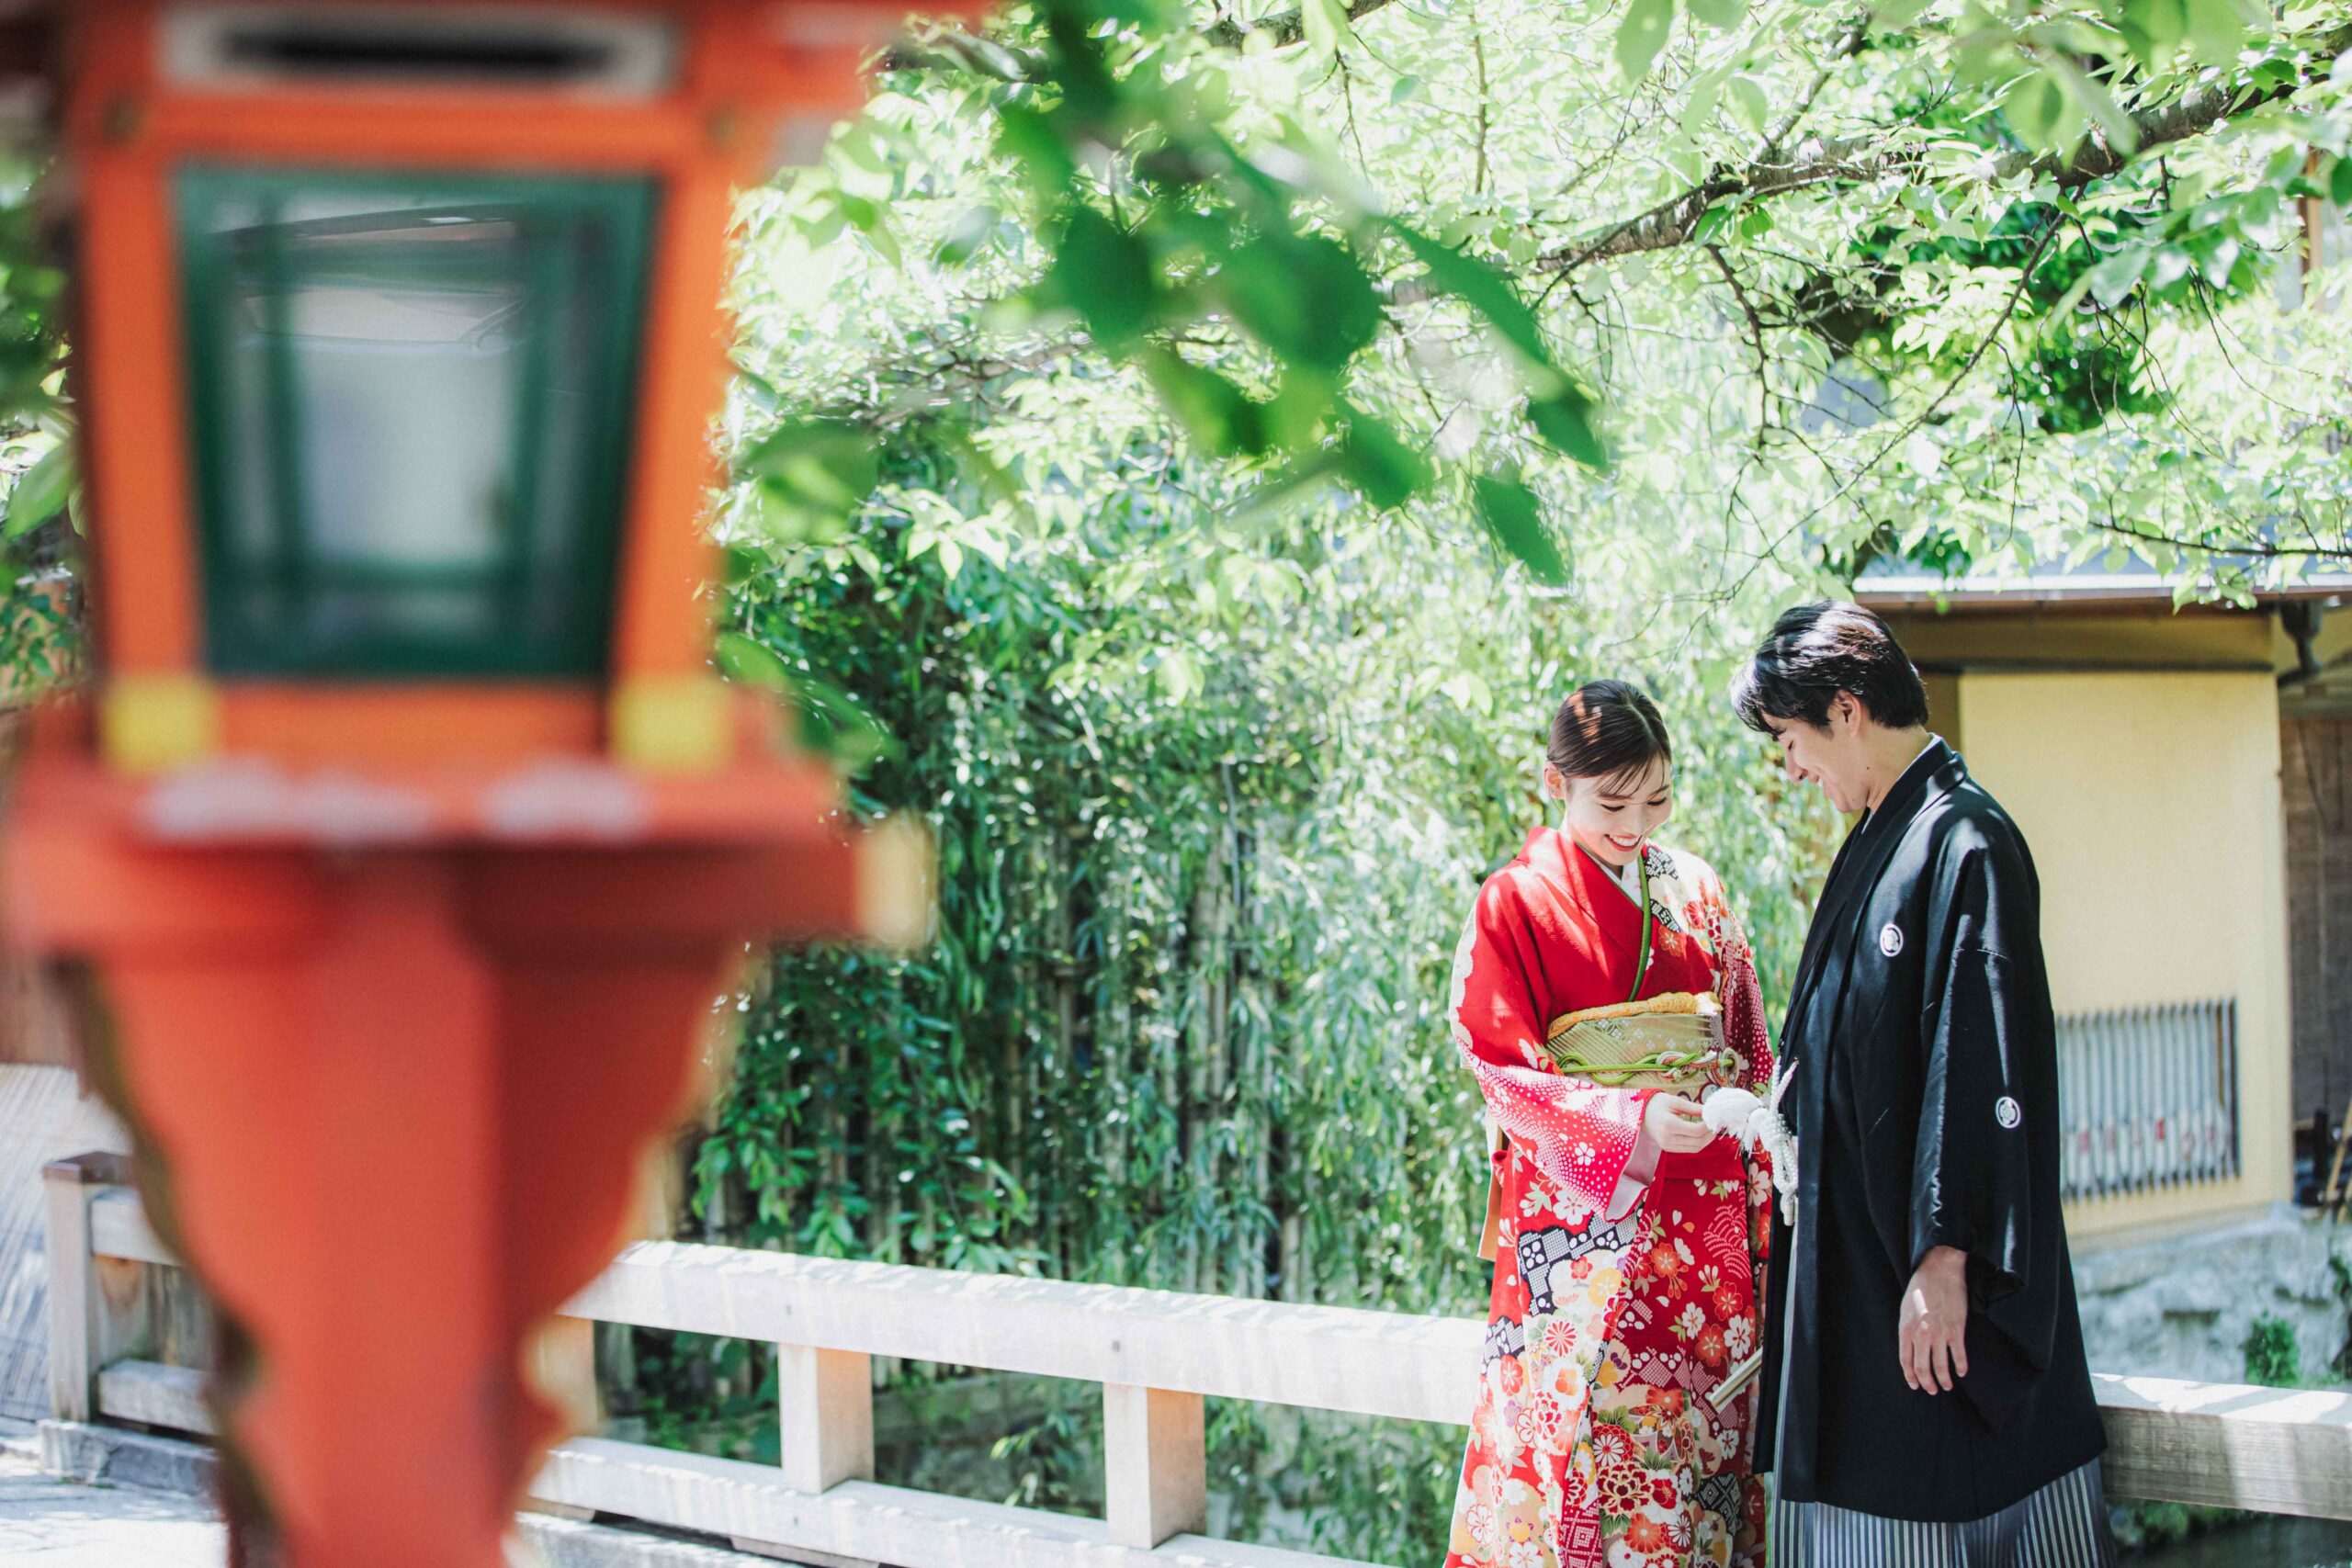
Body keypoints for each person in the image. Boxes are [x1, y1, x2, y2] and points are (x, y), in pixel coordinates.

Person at [1733, 603, 2113, 1566]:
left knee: (1936, 1489)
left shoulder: (1965, 840)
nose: (1792, 769)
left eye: (1790, 741)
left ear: (1846, 711)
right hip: (1855, 1271)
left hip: (1916, 1282)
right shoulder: (1882, 835)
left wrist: (1946, 1253)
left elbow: (1983, 1057)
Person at [1443, 680, 1780, 1568]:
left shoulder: (1697, 890)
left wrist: (1758, 1143)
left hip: (1702, 1235)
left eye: (1658, 798)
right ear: (1556, 784)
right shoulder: (1512, 902)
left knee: (1700, 1465)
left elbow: (1749, 1044)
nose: (1637, 825)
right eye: (1613, 803)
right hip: (1582, 1243)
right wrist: (1627, 1118)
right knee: (1583, 1469)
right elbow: (1502, 1072)